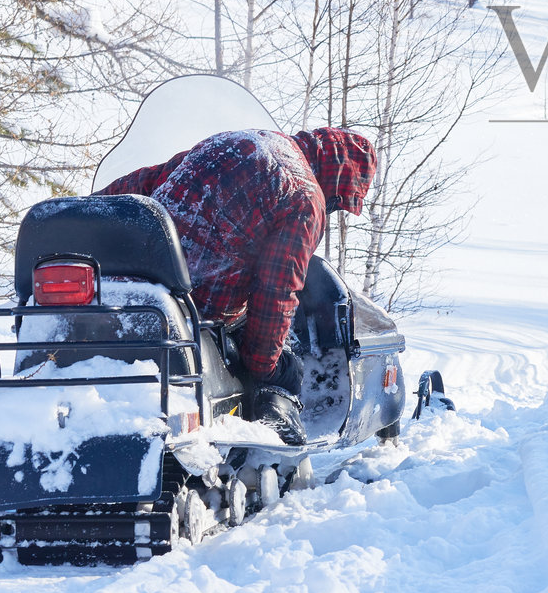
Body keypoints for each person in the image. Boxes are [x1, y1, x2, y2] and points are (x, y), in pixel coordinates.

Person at [97, 127, 377, 445]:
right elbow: (276, 293)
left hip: (125, 281)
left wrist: (80, 219)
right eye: (338, 202)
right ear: (336, 182)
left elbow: (146, 183)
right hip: (194, 303)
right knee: (284, 363)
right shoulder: (305, 197)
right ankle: (271, 440)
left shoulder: (235, 141)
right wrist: (268, 367)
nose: (332, 208)